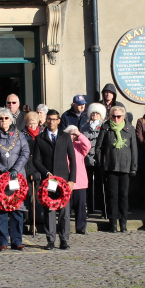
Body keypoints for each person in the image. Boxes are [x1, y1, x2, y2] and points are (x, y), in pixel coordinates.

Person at [0, 107, 30, 251]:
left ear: (11, 119)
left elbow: (25, 152)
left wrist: (15, 169)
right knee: (0, 209)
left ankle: (17, 240)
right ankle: (2, 241)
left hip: (16, 177)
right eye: (1, 119)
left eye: (6, 118)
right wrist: (2, 169)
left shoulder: (19, 135)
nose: (3, 121)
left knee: (16, 208)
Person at [33, 110, 77, 249]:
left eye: (54, 119)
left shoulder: (65, 137)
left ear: (58, 121)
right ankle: (50, 240)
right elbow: (36, 160)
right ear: (46, 121)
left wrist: (72, 180)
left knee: (64, 210)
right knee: (50, 209)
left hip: (64, 180)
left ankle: (64, 239)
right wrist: (46, 173)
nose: (51, 122)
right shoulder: (40, 138)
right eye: (49, 119)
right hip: (50, 181)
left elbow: (72, 160)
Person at [95, 105, 137, 233]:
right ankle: (113, 223)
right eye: (113, 116)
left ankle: (123, 223)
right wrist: (102, 164)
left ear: (123, 117)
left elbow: (134, 149)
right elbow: (98, 147)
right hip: (110, 166)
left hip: (125, 167)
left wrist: (133, 167)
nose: (116, 119)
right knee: (112, 195)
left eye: (119, 116)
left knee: (123, 196)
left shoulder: (129, 129)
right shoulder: (106, 127)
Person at [64, 125, 91, 235]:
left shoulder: (79, 146)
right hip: (67, 180)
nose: (73, 137)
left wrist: (79, 134)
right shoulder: (63, 145)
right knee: (66, 207)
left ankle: (81, 227)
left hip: (80, 181)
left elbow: (88, 145)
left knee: (80, 206)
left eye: (74, 135)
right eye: (71, 134)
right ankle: (65, 227)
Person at [81, 103, 106, 217]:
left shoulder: (104, 126)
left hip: (99, 160)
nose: (95, 115)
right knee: (88, 185)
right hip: (87, 160)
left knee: (101, 185)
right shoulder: (84, 127)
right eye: (93, 113)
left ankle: (102, 209)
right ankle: (89, 207)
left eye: (97, 113)